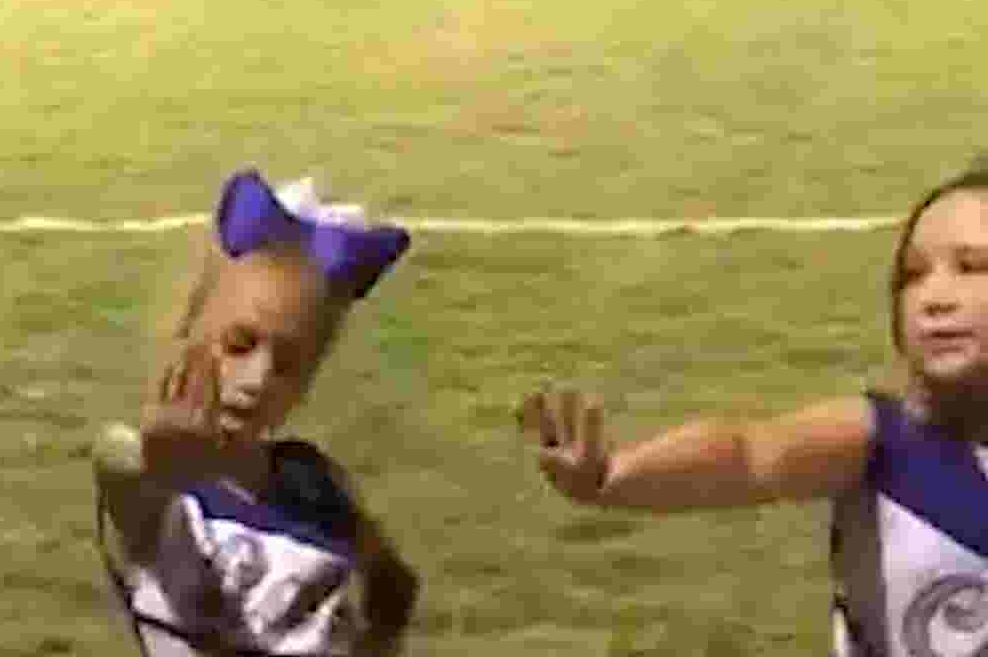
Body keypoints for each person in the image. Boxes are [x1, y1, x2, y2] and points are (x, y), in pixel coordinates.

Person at [519, 160, 988, 657]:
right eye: (912, 276)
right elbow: (748, 454)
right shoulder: (883, 443)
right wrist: (613, 476)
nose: (933, 297)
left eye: (972, 267)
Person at [92, 168, 421, 656]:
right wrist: (160, 458)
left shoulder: (311, 480)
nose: (260, 378)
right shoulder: (167, 501)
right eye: (239, 344)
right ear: (190, 331)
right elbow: (117, 461)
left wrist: (378, 641)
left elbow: (395, 587)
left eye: (289, 364)